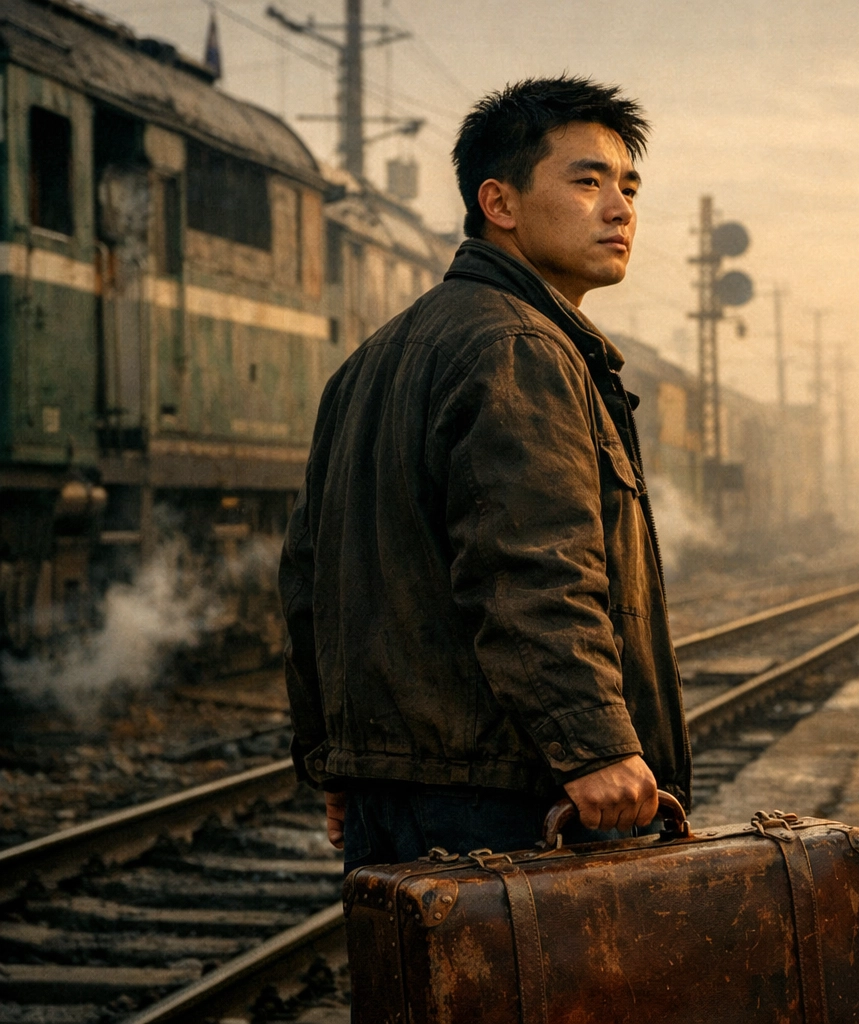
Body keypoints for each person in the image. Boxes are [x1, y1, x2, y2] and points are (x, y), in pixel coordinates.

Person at [280, 77, 689, 870]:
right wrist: (594, 748)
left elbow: (310, 581)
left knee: (417, 996)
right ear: (499, 204)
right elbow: (533, 569)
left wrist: (333, 755)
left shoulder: (369, 363)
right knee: (533, 998)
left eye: (628, 186)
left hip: (393, 793)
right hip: (513, 798)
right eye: (586, 181)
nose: (620, 209)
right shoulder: (519, 348)